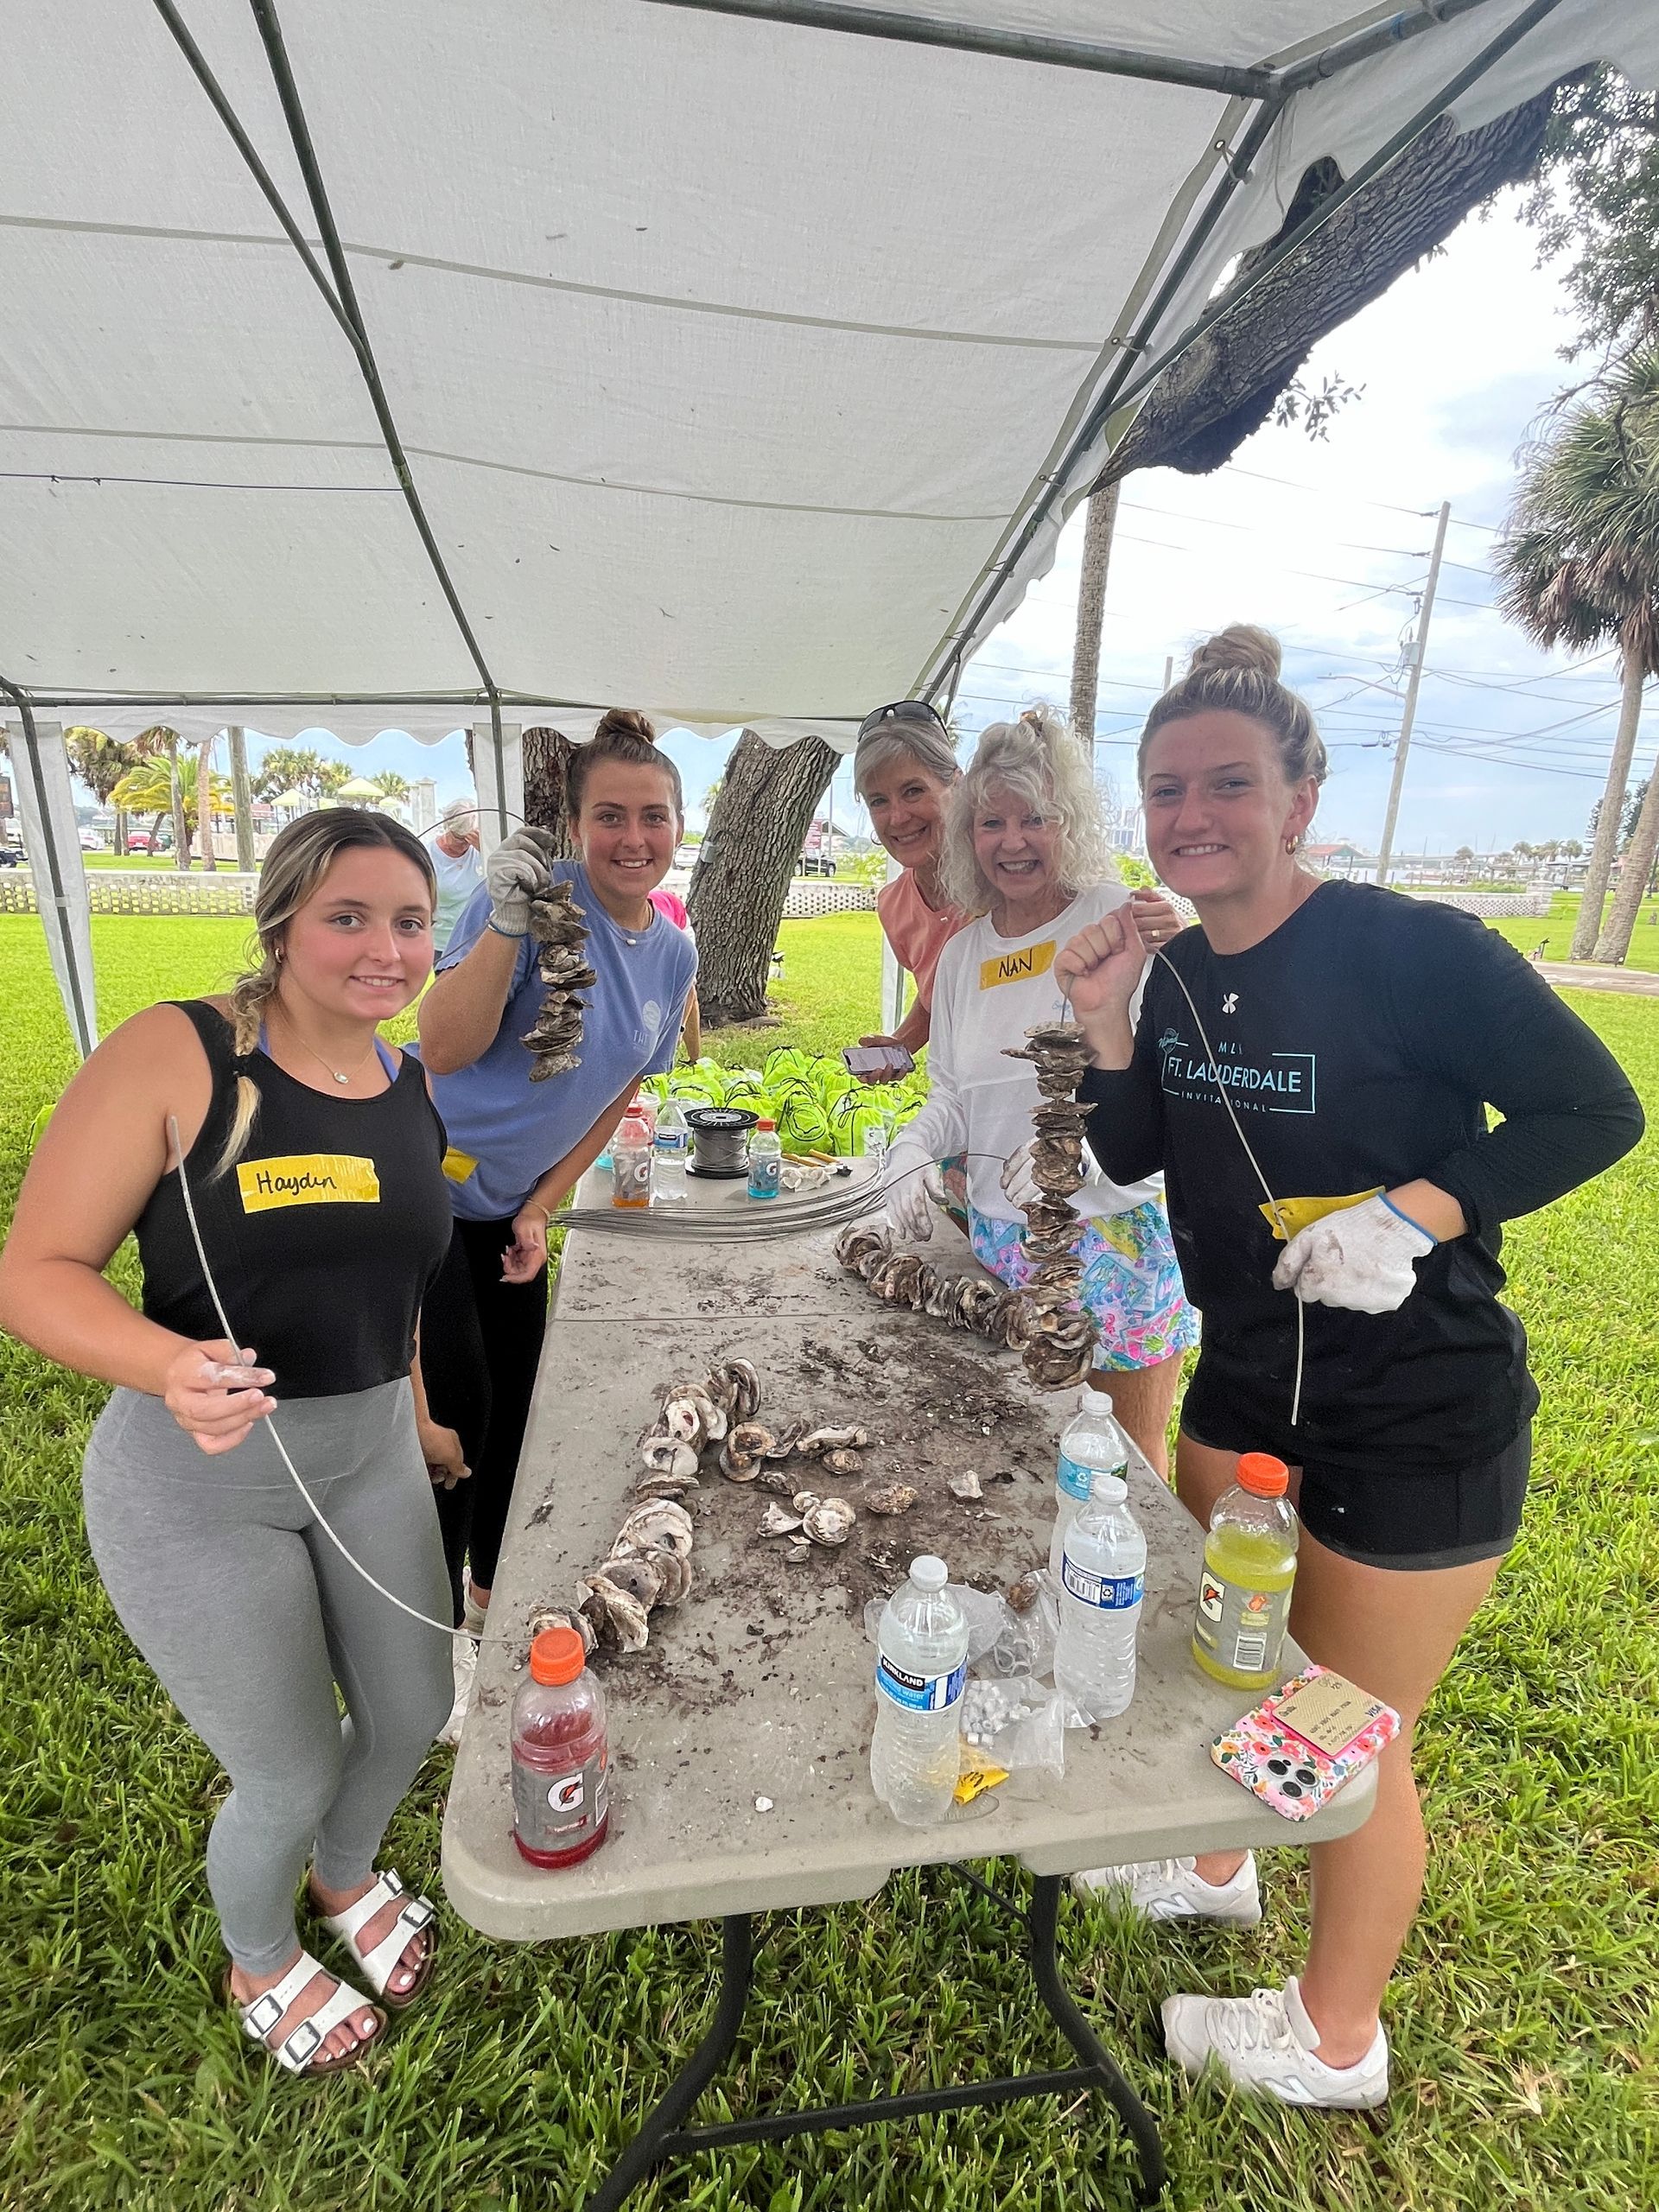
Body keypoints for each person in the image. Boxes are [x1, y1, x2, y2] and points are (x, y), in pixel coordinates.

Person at [1055, 626, 1643, 2109]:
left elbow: (1599, 1109)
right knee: (1237, 1666)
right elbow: (1131, 1150)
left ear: (1302, 796)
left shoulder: (1413, 952)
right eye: (1169, 787)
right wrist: (1109, 1022)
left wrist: (1419, 1208)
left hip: (1417, 1414)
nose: (1194, 815)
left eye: (1230, 784)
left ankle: (1334, 2042)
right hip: (1247, 1388)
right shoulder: (1177, 973)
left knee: (1344, 1727)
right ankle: (1212, 1865)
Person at [0, 810, 463, 2078]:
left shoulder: (408, 1080)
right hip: (200, 1479)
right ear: (281, 920)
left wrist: (417, 1416)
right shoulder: (182, 1053)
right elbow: (35, 1272)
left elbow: (399, 1281)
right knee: (291, 1762)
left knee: (416, 1705)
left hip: (370, 1455)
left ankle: (345, 1878)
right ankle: (259, 1951)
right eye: (349, 917)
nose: (387, 948)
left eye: (410, 921)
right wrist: (170, 1365)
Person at [416, 709, 697, 1691]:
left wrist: (542, 1205)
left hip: (507, 1209)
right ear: (577, 825)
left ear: (678, 822)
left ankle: (490, 1602)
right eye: (610, 815)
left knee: (521, 1410)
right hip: (422, 1183)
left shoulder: (673, 953)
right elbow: (442, 1047)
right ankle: (429, 1639)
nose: (634, 838)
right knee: (455, 1417)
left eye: (653, 816)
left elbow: (619, 1090)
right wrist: (502, 920)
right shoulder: (534, 902)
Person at [881, 709, 1198, 1471]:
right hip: (1000, 1240)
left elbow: (1169, 1088)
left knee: (1124, 1458)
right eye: (992, 821)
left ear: (1072, 824)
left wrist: (1078, 1151)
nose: (1013, 841)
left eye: (1035, 818)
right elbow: (954, 1093)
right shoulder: (963, 955)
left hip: (1111, 1242)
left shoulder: (1118, 920)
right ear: (968, 834)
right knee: (1021, 1450)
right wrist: (914, 1146)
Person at [851, 699, 967, 1073]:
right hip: (959, 1096)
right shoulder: (894, 905)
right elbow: (937, 996)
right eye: (878, 801)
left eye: (913, 791)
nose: (898, 817)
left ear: (956, 783)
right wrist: (900, 1046)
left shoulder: (1005, 880)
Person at [649, 884, 702, 1059]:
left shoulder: (671, 944)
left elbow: (688, 991)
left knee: (685, 989)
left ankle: (695, 1061)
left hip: (678, 920)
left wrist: (679, 1029)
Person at [427, 798, 483, 952]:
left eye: (469, 839)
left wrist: (485, 850)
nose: (465, 845)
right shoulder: (428, 855)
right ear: (448, 827)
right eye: (459, 838)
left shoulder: (480, 851)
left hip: (474, 939)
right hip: (441, 943)